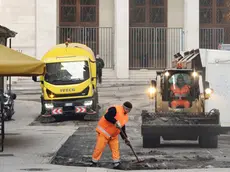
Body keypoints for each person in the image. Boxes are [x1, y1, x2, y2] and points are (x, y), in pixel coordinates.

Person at [90, 101, 133, 169]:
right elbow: (107, 116)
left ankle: (116, 163)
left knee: (115, 149)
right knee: (99, 148)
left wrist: (125, 138)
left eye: (130, 110)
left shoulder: (125, 117)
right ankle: (94, 162)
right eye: (128, 110)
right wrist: (115, 121)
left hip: (113, 135)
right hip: (104, 132)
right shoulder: (115, 109)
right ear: (125, 108)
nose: (128, 111)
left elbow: (122, 128)